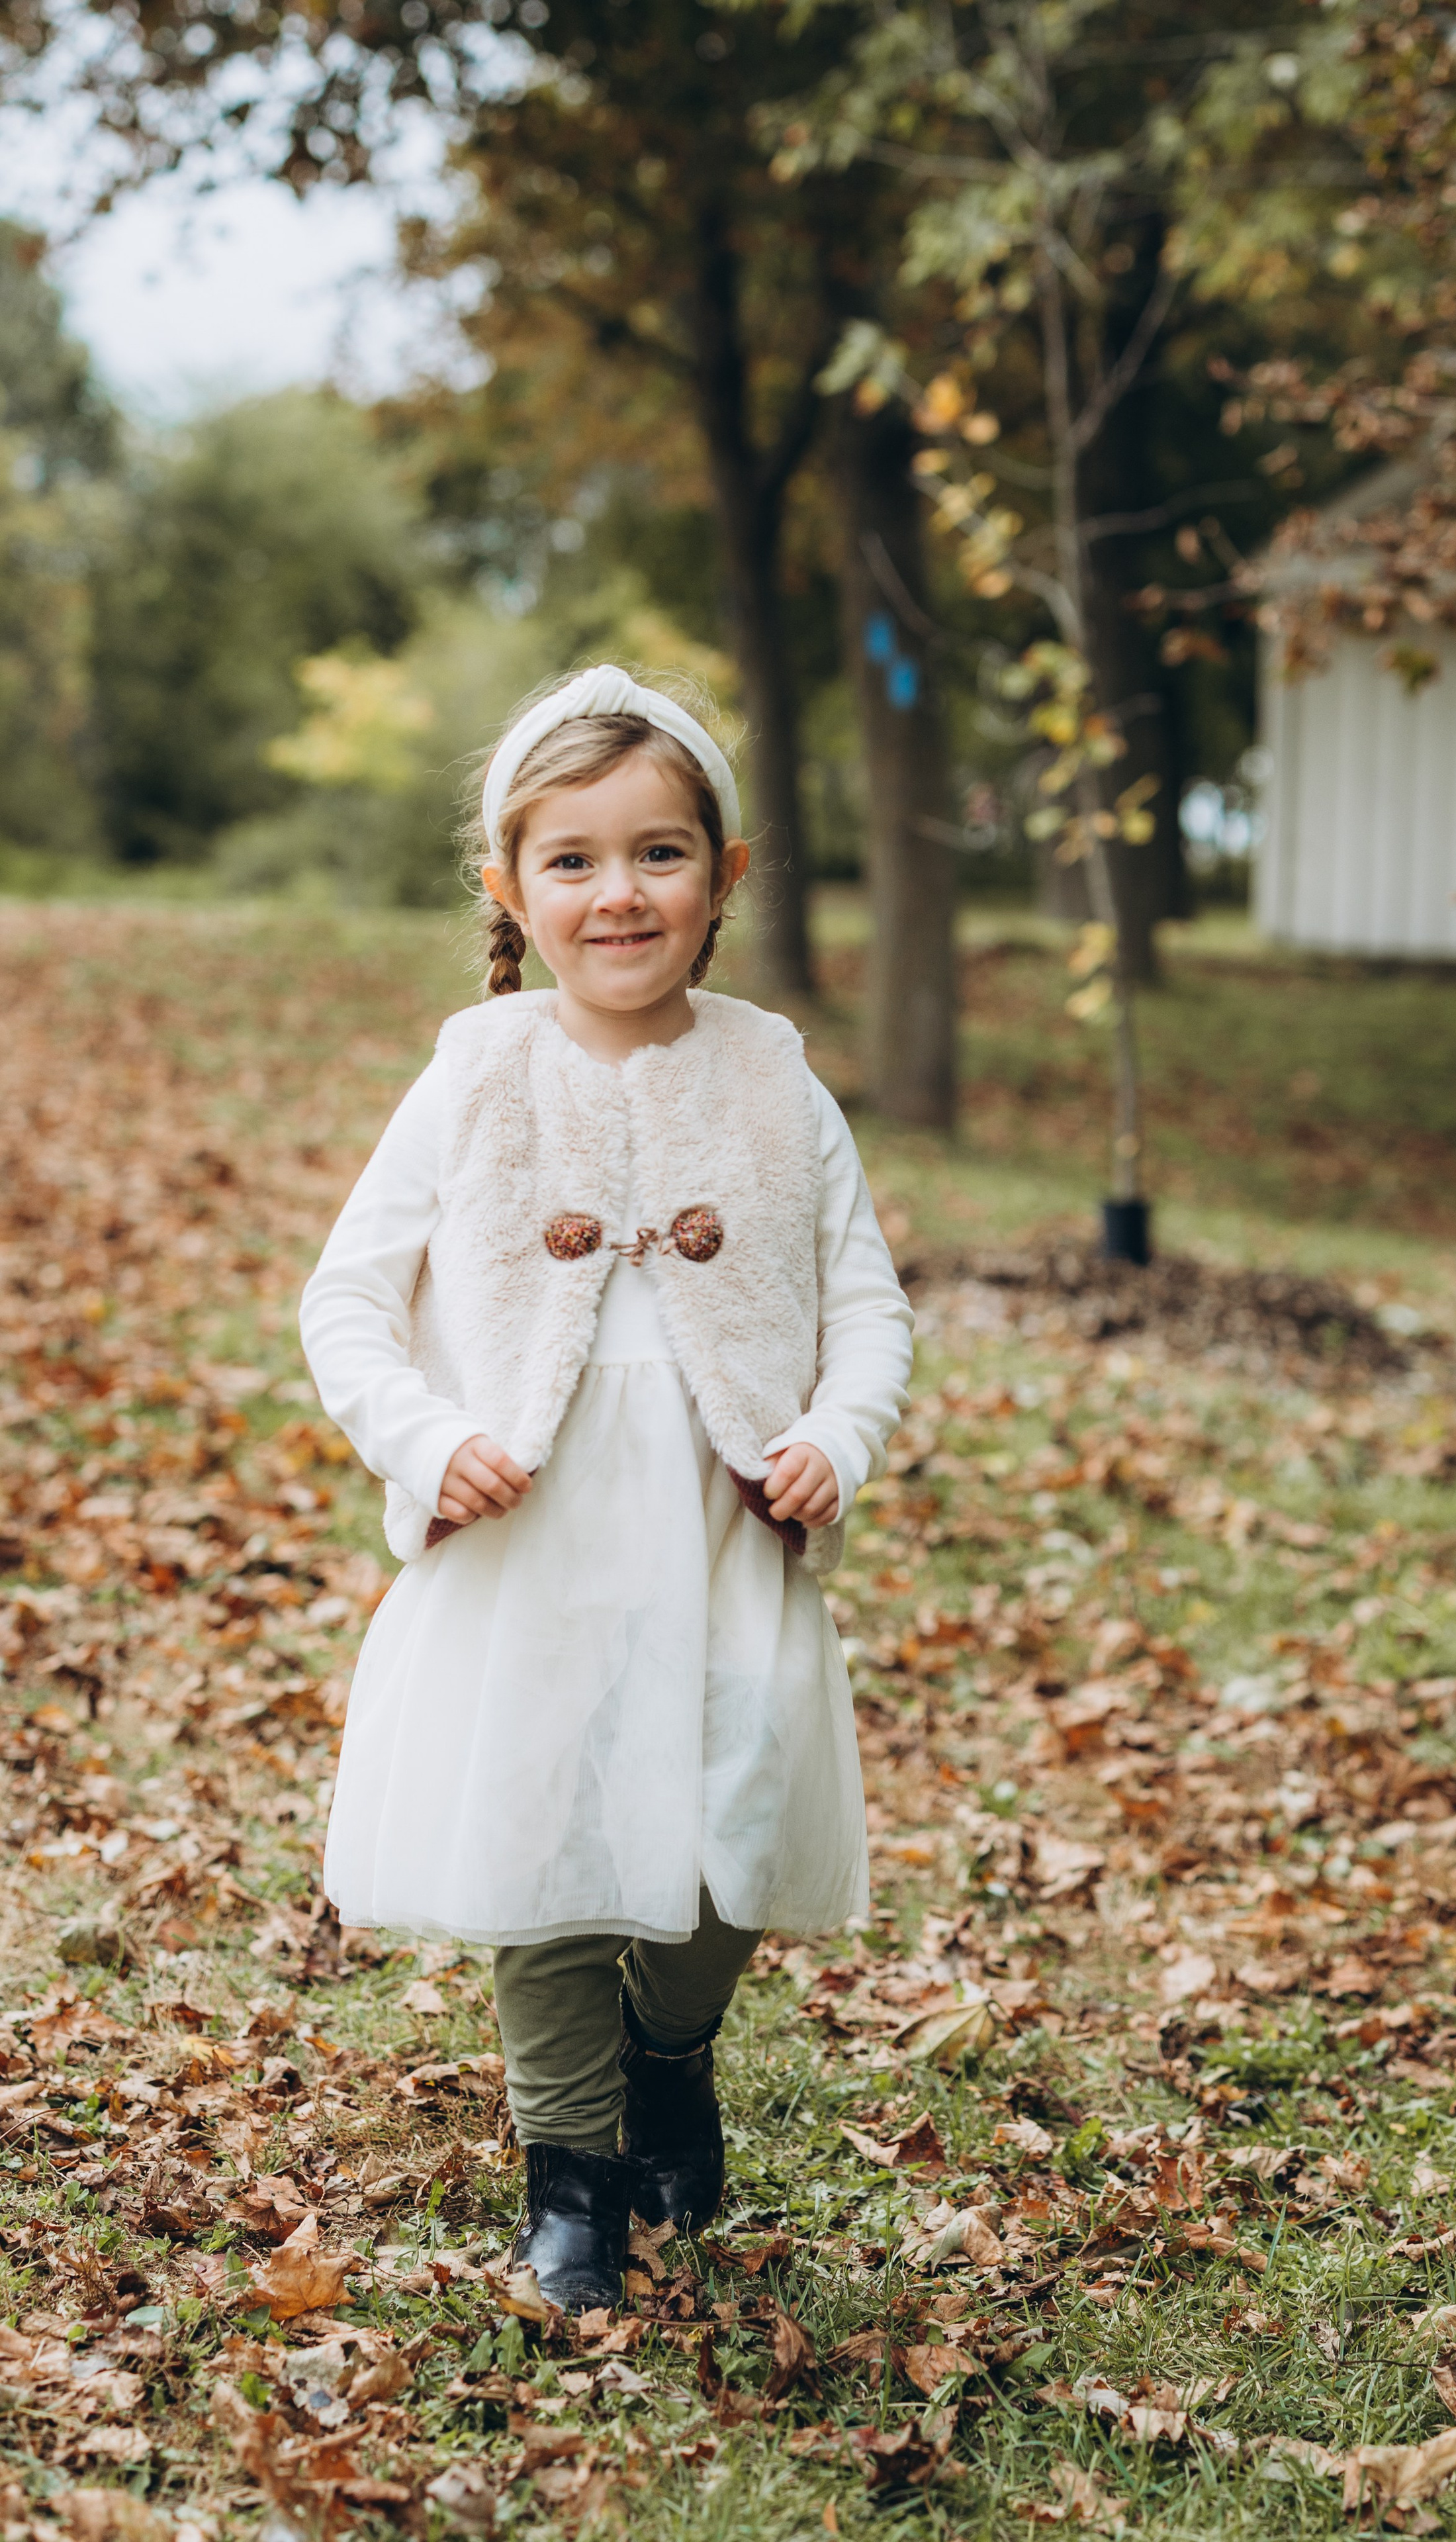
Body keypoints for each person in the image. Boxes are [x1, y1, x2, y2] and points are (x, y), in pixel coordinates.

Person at [300, 664, 913, 2310]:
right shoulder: (473, 1077)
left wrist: (834, 1437)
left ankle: (669, 2047)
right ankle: (569, 2172)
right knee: (546, 1837)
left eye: (658, 853)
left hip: (721, 1532)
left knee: (732, 1829)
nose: (617, 892)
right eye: (570, 859)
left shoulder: (775, 1082)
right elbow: (346, 1302)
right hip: (537, 1535)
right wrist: (426, 1440)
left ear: (723, 875)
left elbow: (866, 1306)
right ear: (509, 887)